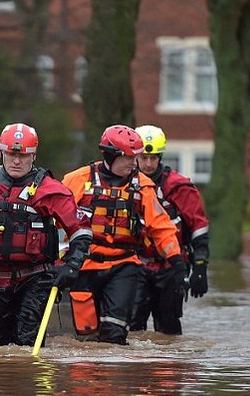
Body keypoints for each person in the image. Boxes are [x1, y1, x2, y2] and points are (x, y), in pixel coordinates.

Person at [0, 123, 93, 346]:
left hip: (34, 278)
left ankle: (30, 378)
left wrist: (71, 266)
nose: (16, 161)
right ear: (1, 153)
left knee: (27, 341)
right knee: (0, 344)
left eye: (23, 156)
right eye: (11, 154)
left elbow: (80, 230)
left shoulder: (49, 189)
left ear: (33, 157)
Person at [61, 125, 184, 345]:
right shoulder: (77, 180)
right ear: (111, 155)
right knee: (84, 333)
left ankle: (114, 377)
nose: (134, 163)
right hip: (84, 265)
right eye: (129, 158)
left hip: (123, 266)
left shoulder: (143, 187)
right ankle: (86, 379)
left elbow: (161, 227)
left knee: (114, 334)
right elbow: (54, 219)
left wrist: (176, 261)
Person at [131, 125, 210, 334]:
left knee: (168, 330)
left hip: (170, 267)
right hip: (133, 265)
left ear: (160, 157)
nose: (148, 164)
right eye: (144, 158)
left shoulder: (179, 187)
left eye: (154, 158)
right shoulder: (125, 184)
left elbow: (198, 227)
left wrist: (200, 266)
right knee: (130, 328)